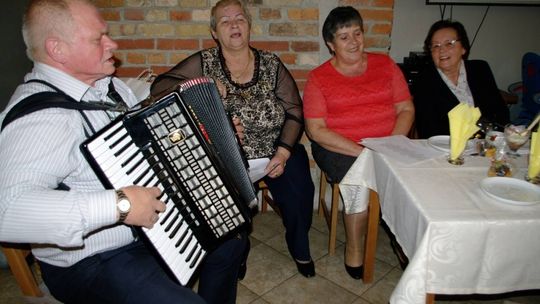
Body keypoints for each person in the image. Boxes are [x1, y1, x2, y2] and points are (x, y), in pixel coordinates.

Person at [0, 1, 247, 303]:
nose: (112, 44)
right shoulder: (43, 119)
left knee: (232, 241)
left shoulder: (111, 87)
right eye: (98, 38)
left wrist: (207, 133)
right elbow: (6, 211)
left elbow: (140, 147)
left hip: (147, 229)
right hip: (93, 259)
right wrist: (120, 206)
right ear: (57, 49)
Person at [151, 0, 316, 278]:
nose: (234, 24)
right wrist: (199, 84)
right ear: (215, 32)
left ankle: (299, 244)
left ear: (249, 26)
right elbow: (159, 87)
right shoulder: (203, 62)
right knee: (222, 205)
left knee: (300, 191)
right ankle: (238, 251)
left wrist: (283, 152)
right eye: (225, 21)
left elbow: (294, 110)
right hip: (225, 157)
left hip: (275, 151)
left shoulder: (271, 63)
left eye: (240, 18)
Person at [303, 6, 414, 279]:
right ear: (331, 44)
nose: (353, 41)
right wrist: (366, 152)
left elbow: (405, 109)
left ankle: (402, 240)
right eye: (343, 37)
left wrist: (390, 145)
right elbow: (316, 130)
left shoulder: (385, 65)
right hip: (339, 146)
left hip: (388, 142)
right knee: (359, 182)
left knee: (408, 182)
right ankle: (354, 247)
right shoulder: (318, 78)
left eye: (357, 33)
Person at [413, 19, 510, 139]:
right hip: (448, 149)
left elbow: (500, 114)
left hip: (487, 145)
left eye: (449, 43)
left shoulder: (480, 69)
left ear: (463, 48)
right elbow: (429, 130)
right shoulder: (424, 81)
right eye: (435, 46)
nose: (442, 50)